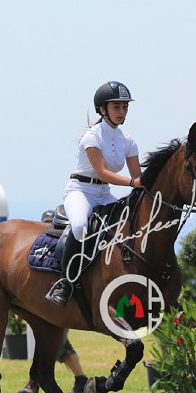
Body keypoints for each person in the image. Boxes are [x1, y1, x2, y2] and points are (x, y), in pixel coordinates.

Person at [45, 80, 142, 306]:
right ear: (102, 109)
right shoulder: (92, 136)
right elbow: (103, 173)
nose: (122, 111)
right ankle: (65, 282)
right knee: (80, 226)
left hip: (104, 194)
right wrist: (133, 182)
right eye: (116, 106)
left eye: (125, 107)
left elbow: (139, 176)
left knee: (130, 224)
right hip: (81, 191)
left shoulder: (128, 140)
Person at [17, 210, 88, 393]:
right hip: (50, 305)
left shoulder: (63, 248)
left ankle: (34, 382)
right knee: (60, 346)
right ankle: (80, 379)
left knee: (52, 346)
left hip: (58, 305)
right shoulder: (44, 250)